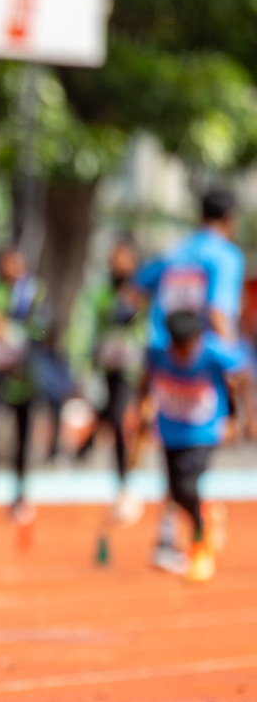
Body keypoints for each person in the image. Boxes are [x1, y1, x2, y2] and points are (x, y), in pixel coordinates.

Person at [140, 310, 254, 581]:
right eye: (177, 347)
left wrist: (242, 417)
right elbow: (146, 378)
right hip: (169, 430)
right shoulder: (158, 353)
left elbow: (243, 376)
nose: (182, 353)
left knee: (188, 486)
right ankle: (204, 516)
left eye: (187, 347)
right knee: (176, 493)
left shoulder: (213, 353)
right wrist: (141, 410)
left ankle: (200, 542)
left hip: (204, 431)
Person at [0, 245, 48, 524]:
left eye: (16, 264)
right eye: (6, 263)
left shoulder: (34, 292)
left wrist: (14, 333)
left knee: (23, 437)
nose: (11, 269)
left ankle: (20, 497)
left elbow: (43, 328)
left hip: (24, 377)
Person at [77, 235, 146, 521]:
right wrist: (85, 359)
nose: (119, 263)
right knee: (116, 418)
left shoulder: (142, 289)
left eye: (124, 257)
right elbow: (89, 323)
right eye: (115, 257)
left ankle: (93, 442)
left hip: (137, 368)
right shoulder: (102, 291)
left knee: (120, 418)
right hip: (108, 366)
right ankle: (123, 486)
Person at [139, 187, 245, 349]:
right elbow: (217, 313)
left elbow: (133, 292)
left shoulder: (173, 251)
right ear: (229, 218)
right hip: (203, 361)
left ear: (201, 216)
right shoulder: (227, 257)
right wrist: (235, 362)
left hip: (162, 356)